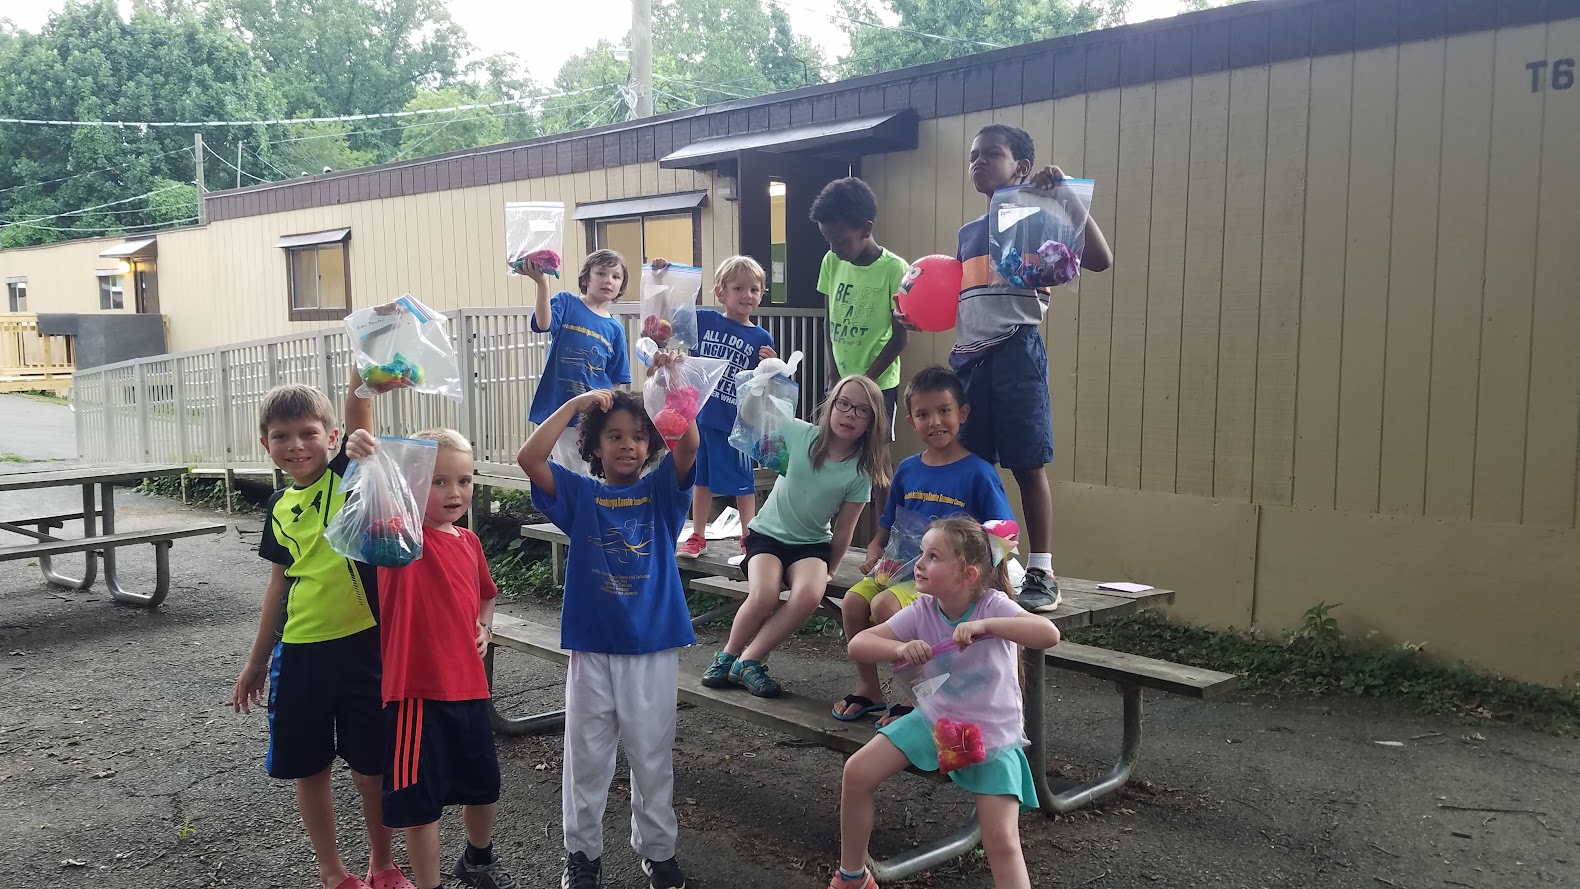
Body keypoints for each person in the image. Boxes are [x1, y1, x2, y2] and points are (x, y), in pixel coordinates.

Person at [899, 123, 1112, 614]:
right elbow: (948, 298)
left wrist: (1067, 197)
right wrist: (910, 310)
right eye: (973, 156)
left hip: (1017, 351)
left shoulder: (1041, 218)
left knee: (1027, 463)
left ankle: (1040, 568)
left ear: (1020, 167)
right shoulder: (968, 233)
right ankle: (981, 567)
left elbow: (1099, 259)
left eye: (990, 154)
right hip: (968, 360)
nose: (977, 162)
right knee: (972, 466)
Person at [517, 353, 698, 889]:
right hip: (593, 645)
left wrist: (668, 382)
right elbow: (531, 457)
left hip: (652, 645)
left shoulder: (663, 491)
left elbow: (687, 444)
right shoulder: (581, 494)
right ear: (593, 445)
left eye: (639, 435)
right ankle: (583, 854)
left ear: (651, 444)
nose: (627, 444)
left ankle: (658, 850)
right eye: (614, 435)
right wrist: (575, 405)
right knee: (587, 756)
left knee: (651, 753)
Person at [231, 375, 413, 889]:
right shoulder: (278, 509)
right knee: (309, 766)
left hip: (364, 647)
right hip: (302, 654)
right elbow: (278, 586)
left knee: (371, 766)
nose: (296, 446)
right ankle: (332, 870)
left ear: (331, 439)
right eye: (282, 436)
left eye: (308, 433)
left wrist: (361, 379)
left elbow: (360, 419)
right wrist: (256, 660)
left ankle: (383, 862)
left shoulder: (346, 477)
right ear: (264, 444)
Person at [831, 516, 1061, 889]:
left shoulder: (992, 605)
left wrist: (988, 627)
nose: (919, 563)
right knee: (857, 772)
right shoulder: (923, 609)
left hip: (991, 735)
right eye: (922, 553)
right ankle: (853, 877)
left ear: (968, 575)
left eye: (933, 556)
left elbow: (1047, 634)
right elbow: (859, 644)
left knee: (1001, 841)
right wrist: (900, 647)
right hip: (935, 722)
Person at [344, 428, 514, 889]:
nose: (455, 492)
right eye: (438, 481)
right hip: (415, 693)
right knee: (422, 805)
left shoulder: (469, 541)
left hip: (470, 688)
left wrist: (485, 627)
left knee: (484, 787)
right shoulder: (397, 538)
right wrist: (365, 458)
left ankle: (478, 859)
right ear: (410, 482)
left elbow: (486, 596)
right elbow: (371, 491)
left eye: (464, 480)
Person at [834, 365, 1014, 725]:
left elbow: (1003, 534)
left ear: (962, 414)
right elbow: (887, 526)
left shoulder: (979, 472)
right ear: (911, 422)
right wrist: (874, 550)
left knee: (885, 606)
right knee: (853, 603)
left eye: (944, 410)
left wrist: (988, 581)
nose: (935, 421)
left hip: (944, 581)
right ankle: (869, 687)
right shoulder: (908, 469)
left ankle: (920, 699)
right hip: (900, 568)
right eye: (923, 414)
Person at [699, 374, 891, 698]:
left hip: (812, 544)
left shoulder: (860, 470)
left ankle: (750, 660)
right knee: (764, 594)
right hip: (767, 535)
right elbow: (749, 419)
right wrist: (759, 385)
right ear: (831, 406)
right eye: (844, 404)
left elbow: (845, 528)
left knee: (809, 594)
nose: (850, 415)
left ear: (872, 422)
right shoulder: (800, 432)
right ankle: (728, 653)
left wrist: (830, 568)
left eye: (862, 410)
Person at [657, 255, 776, 560]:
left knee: (742, 483)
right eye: (739, 288)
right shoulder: (706, 321)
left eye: (754, 289)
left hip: (735, 424)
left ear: (762, 293)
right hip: (699, 419)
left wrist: (770, 365)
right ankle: (698, 535)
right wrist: (661, 278)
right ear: (721, 292)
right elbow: (669, 321)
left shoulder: (761, 337)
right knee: (701, 480)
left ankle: (750, 540)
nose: (747, 295)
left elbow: (763, 385)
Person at [811, 176, 909, 440]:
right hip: (839, 382)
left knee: (876, 460)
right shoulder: (831, 262)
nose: (833, 248)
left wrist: (864, 382)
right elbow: (828, 322)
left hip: (878, 386)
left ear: (866, 229)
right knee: (834, 450)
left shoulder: (895, 269)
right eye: (827, 241)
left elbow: (900, 339)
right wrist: (834, 375)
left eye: (840, 241)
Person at [524, 248, 633, 458]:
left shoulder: (615, 329)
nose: (608, 280)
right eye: (600, 273)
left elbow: (616, 380)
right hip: (555, 408)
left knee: (581, 472)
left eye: (616, 276)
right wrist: (542, 283)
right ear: (586, 278)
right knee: (549, 470)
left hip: (589, 416)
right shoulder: (566, 302)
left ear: (621, 286)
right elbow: (543, 323)